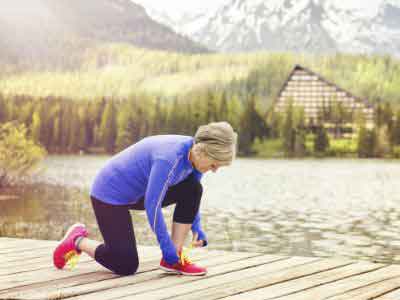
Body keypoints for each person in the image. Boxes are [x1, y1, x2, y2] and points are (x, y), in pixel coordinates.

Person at [53, 121, 237, 276]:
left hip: (138, 193)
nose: (214, 169)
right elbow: (153, 206)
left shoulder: (195, 156)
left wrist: (197, 228)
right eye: (214, 164)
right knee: (125, 265)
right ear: (203, 151)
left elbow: (191, 191)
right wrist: (166, 247)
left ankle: (174, 259)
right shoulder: (169, 158)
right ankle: (77, 240)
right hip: (109, 194)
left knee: (193, 187)